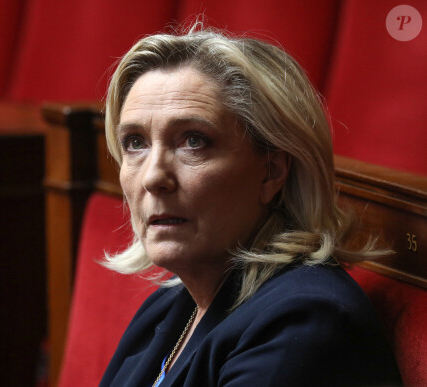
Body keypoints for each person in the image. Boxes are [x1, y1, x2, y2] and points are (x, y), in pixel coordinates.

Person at [99, 27, 401, 386]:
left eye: (194, 141)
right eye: (135, 143)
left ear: (271, 172)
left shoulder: (304, 320)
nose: (152, 177)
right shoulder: (169, 305)